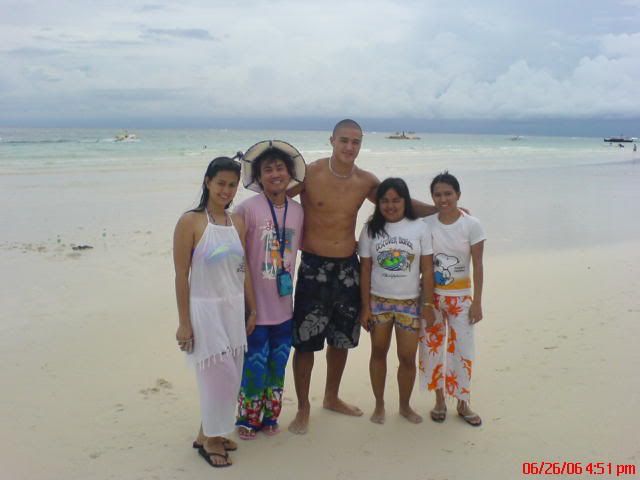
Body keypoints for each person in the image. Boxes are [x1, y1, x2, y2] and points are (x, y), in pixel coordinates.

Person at [286, 119, 437, 434]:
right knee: (305, 341)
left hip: (348, 268)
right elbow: (278, 196)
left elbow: (398, 203)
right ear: (331, 140)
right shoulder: (311, 173)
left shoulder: (366, 181)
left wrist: (444, 209)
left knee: (340, 339)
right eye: (344, 140)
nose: (349, 147)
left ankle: (331, 396)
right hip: (314, 267)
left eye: (356, 142)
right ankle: (303, 408)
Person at [173, 155, 257, 468]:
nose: (226, 190)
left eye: (232, 185)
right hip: (205, 310)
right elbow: (181, 275)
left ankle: (207, 432)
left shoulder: (237, 222)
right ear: (208, 182)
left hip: (233, 308)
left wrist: (252, 308)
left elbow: (243, 266)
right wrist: (184, 323)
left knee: (232, 375)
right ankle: (212, 440)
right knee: (216, 376)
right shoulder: (190, 222)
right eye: (221, 183)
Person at [234, 141, 305, 439]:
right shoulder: (246, 209)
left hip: (284, 309)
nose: (275, 174)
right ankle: (246, 419)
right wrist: (245, 306)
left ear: (289, 173)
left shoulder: (299, 212)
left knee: (277, 366)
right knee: (254, 367)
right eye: (268, 169)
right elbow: (235, 260)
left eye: (280, 168)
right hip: (255, 309)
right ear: (258, 177)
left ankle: (269, 417)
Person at [358, 178, 436, 425]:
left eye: (396, 200)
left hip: (409, 303)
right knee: (378, 352)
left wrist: (428, 304)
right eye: (385, 201)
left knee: (406, 357)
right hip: (379, 302)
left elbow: (427, 269)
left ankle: (404, 405)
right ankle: (379, 405)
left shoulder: (420, 227)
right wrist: (365, 308)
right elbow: (365, 271)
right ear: (378, 203)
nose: (390, 206)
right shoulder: (370, 229)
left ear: (405, 201)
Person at [418, 171, 485, 427]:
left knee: (462, 351)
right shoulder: (427, 225)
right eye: (438, 194)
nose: (443, 199)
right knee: (432, 350)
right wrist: (425, 301)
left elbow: (478, 265)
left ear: (458, 195)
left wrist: (477, 301)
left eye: (448, 194)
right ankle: (439, 401)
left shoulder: (472, 225)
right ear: (432, 197)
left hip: (461, 299)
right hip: (432, 298)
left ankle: (463, 402)